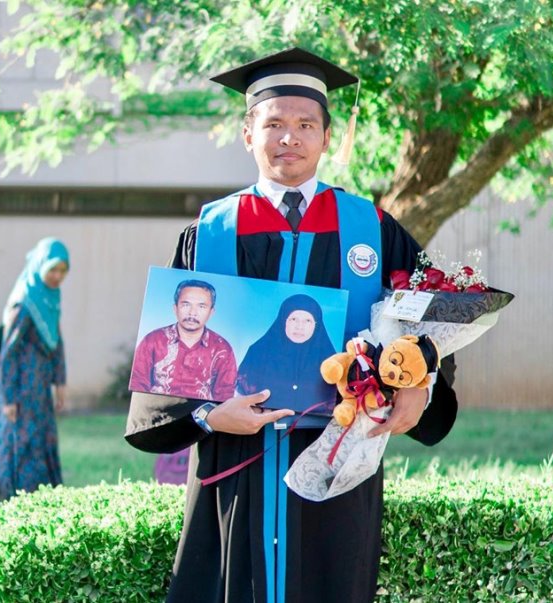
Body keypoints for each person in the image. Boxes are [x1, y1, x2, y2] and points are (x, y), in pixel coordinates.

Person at [125, 47, 458, 603]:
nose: (289, 138)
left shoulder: (370, 228)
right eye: (273, 123)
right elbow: (164, 370)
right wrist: (209, 415)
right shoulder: (210, 233)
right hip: (236, 461)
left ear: (327, 137)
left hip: (336, 456)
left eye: (306, 125)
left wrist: (419, 390)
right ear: (247, 132)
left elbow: (430, 319)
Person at [0, 238, 70, 504]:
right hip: (21, 390)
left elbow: (56, 343)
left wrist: (60, 382)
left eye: (63, 270)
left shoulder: (50, 300)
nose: (58, 276)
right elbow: (9, 353)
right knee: (22, 443)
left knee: (41, 440)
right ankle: (18, 500)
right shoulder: (24, 303)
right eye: (53, 270)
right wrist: (9, 397)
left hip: (41, 389)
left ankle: (42, 500)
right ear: (39, 267)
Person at [129, 279, 238, 401]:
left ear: (211, 312)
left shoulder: (222, 349)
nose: (192, 313)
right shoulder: (153, 340)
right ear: (175, 308)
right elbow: (138, 386)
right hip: (157, 414)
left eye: (201, 306)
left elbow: (225, 397)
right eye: (186, 305)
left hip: (202, 417)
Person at [236, 294, 337, 416]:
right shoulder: (258, 353)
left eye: (307, 321)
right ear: (283, 321)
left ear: (316, 325)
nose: (300, 327)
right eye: (294, 319)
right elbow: (241, 397)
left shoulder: (331, 363)